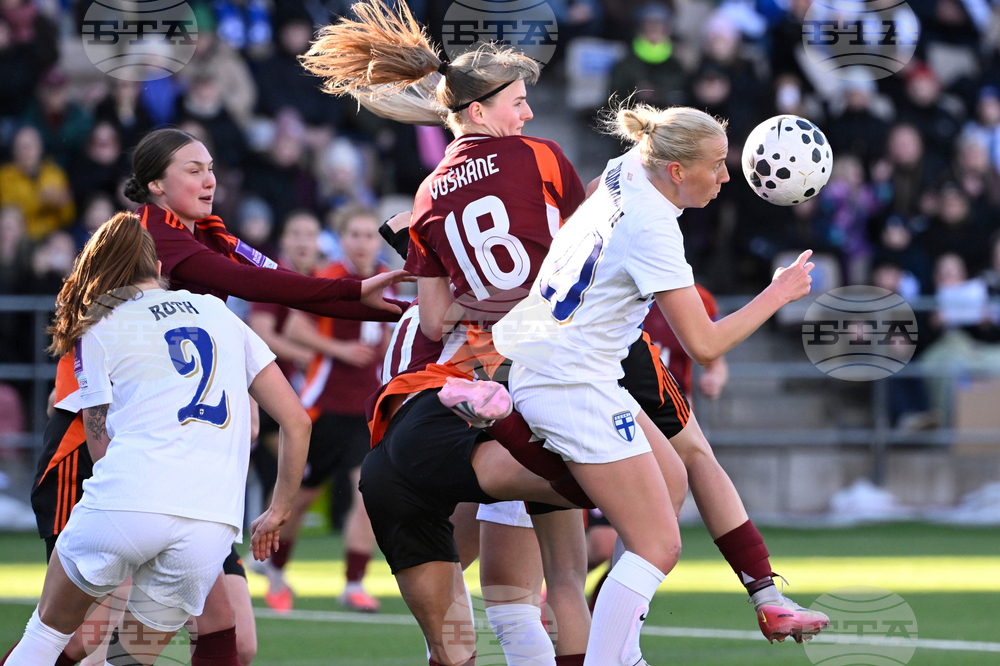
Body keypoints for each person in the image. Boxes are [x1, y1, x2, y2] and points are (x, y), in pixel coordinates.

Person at [493, 104, 822, 663]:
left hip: (553, 361)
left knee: (672, 476)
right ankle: (614, 659)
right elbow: (706, 344)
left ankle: (620, 650)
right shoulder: (654, 228)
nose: (725, 177)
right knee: (658, 544)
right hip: (568, 380)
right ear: (675, 170)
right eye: (717, 165)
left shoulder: (629, 167)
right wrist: (780, 292)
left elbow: (598, 187)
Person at [114, 126, 412, 663]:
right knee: (88, 636)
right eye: (193, 170)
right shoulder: (151, 238)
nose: (209, 180)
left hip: (192, 459)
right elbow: (260, 288)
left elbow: (271, 275)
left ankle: (293, 547)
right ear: (155, 184)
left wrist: (393, 307)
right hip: (134, 453)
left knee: (232, 642)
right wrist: (353, 296)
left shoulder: (210, 232)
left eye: (211, 168)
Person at [1, 211, 310, 666]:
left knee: (47, 636)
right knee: (125, 660)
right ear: (160, 266)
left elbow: (98, 439)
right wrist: (279, 509)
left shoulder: (101, 325)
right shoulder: (220, 315)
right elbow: (297, 421)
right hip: (210, 520)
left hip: (129, 501)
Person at [262, 206, 389, 613]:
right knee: (299, 498)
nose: (363, 242)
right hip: (323, 405)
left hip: (366, 408)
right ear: (342, 239)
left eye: (370, 234)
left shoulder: (386, 277)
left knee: (366, 495)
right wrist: (340, 350)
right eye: (355, 234)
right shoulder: (329, 277)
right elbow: (295, 328)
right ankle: (276, 569)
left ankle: (353, 583)